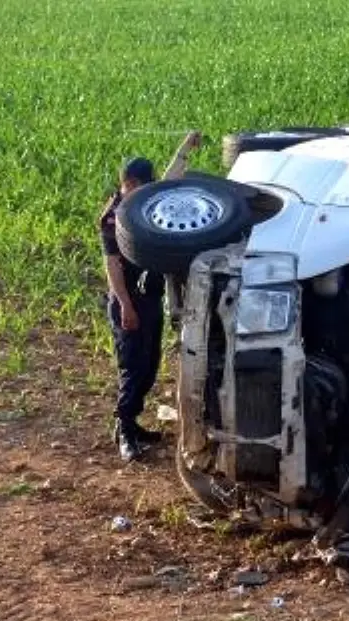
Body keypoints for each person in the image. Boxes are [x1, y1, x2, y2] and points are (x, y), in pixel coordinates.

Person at [97, 131, 202, 460]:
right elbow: (112, 266)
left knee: (150, 365)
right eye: (134, 187)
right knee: (132, 365)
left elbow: (171, 179)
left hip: (151, 297)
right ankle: (124, 429)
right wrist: (126, 306)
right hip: (127, 300)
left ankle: (133, 422)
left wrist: (185, 149)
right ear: (126, 182)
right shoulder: (114, 216)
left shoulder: (144, 202)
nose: (139, 192)